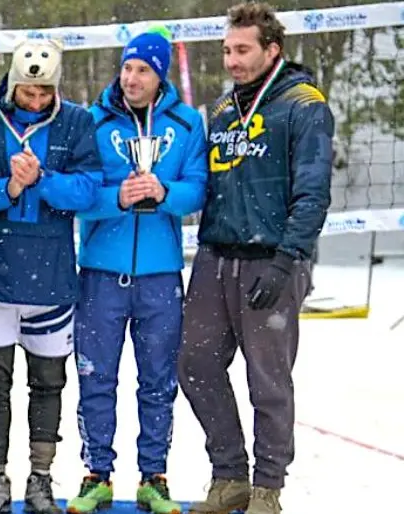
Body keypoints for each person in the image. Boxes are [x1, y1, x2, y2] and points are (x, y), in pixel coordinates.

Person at [178, 3, 333, 514]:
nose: (232, 60)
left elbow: (313, 193)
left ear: (272, 51)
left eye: (242, 50)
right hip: (215, 256)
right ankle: (229, 477)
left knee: (267, 380)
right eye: (227, 50)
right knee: (195, 364)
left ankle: (268, 488)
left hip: (272, 259)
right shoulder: (222, 110)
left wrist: (287, 259)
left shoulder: (304, 105)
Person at [66, 26, 208, 514]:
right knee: (96, 377)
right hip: (101, 275)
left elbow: (198, 190)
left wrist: (164, 193)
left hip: (160, 276)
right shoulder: (92, 120)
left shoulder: (187, 124)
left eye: (142, 69)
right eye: (127, 67)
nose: (131, 77)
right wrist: (115, 199)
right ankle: (96, 473)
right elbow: (80, 196)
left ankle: (154, 475)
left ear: (159, 74)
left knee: (158, 381)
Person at [0, 37, 103, 514]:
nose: (37, 101)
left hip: (52, 279)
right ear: (13, 84)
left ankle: (40, 478)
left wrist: (42, 181)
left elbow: (88, 192)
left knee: (48, 384)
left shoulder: (78, 122)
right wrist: (9, 186)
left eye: (45, 93)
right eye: (29, 92)